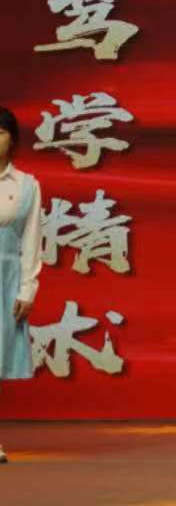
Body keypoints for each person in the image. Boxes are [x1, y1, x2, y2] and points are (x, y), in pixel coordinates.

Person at [0, 107, 40, 466]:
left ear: (12, 139)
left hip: (6, 277)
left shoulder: (27, 185)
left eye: (0, 132)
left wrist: (28, 289)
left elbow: (31, 240)